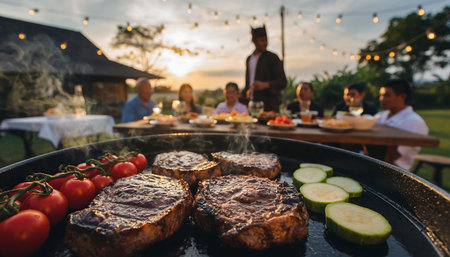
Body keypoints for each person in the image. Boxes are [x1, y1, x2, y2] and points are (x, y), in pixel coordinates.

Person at [376, 79, 429, 170]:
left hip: (392, 170)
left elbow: (393, 155)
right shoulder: (380, 116)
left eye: (387, 95)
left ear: (402, 96)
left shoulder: (414, 122)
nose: (382, 99)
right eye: (381, 95)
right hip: (371, 160)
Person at [240, 25, 287, 112]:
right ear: (254, 41)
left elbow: (283, 81)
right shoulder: (249, 59)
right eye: (262, 40)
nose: (265, 43)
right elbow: (248, 84)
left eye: (266, 40)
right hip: (252, 105)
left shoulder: (272, 58)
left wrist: (265, 85)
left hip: (269, 106)